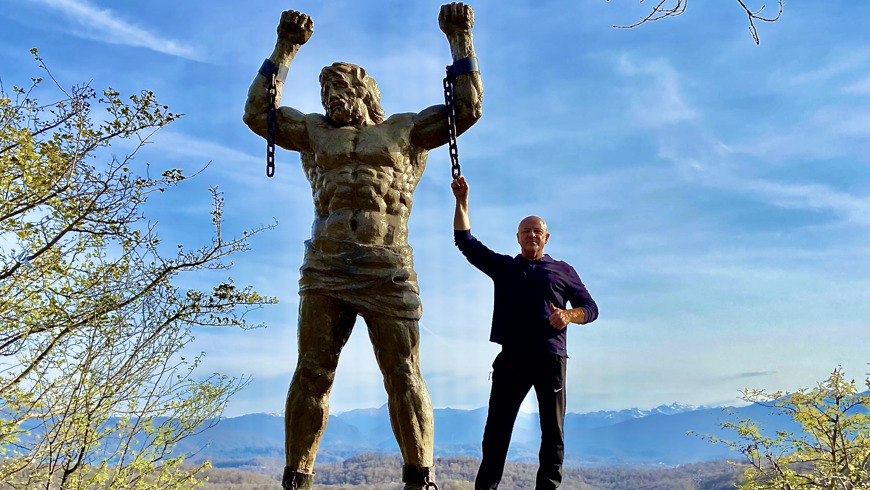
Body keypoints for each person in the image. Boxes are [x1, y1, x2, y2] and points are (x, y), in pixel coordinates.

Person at [242, 4, 482, 490]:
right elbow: (257, 114)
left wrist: (460, 38)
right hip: (326, 263)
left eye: (341, 89)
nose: (331, 98)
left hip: (387, 264)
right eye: (325, 91)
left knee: (404, 373)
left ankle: (420, 478)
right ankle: (296, 479)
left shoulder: (405, 130)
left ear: (365, 93)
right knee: (312, 373)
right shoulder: (315, 132)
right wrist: (285, 49)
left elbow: (466, 110)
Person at [450, 175, 599, 489]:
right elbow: (465, 242)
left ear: (546, 237)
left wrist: (569, 315)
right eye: (526, 231)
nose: (532, 235)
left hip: (551, 358)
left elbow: (590, 308)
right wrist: (462, 201)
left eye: (537, 231)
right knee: (496, 431)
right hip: (512, 358)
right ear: (517, 238)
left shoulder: (563, 270)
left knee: (553, 432)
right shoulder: (506, 267)